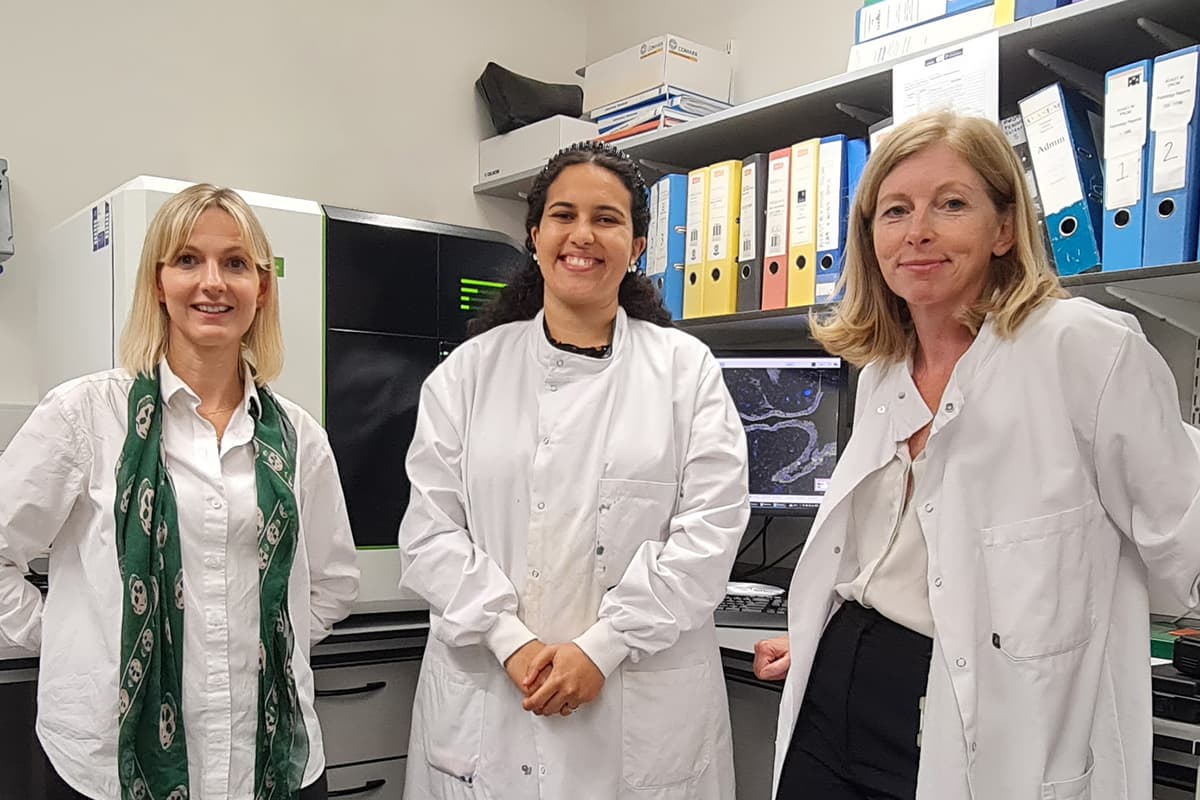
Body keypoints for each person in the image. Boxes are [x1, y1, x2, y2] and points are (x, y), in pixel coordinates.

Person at [753, 110, 1200, 800]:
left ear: (1001, 227)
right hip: (835, 692)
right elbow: (884, 557)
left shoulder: (1085, 349)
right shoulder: (882, 367)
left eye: (951, 204)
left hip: (980, 721)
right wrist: (819, 632)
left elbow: (1188, 538)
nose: (918, 231)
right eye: (894, 210)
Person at [397, 140, 750, 798]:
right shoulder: (469, 375)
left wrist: (603, 648)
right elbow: (430, 533)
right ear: (535, 236)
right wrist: (512, 641)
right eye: (563, 216)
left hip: (635, 708)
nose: (582, 235)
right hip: (492, 700)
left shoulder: (685, 370)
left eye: (607, 219)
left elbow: (710, 531)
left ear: (638, 244)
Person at [0, 184, 360, 799]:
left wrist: (261, 646)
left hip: (269, 764)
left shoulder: (299, 436)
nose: (213, 282)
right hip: (108, 766)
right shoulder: (85, 415)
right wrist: (73, 639)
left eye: (236, 264)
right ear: (158, 283)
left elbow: (331, 584)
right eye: (188, 260)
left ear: (262, 289)